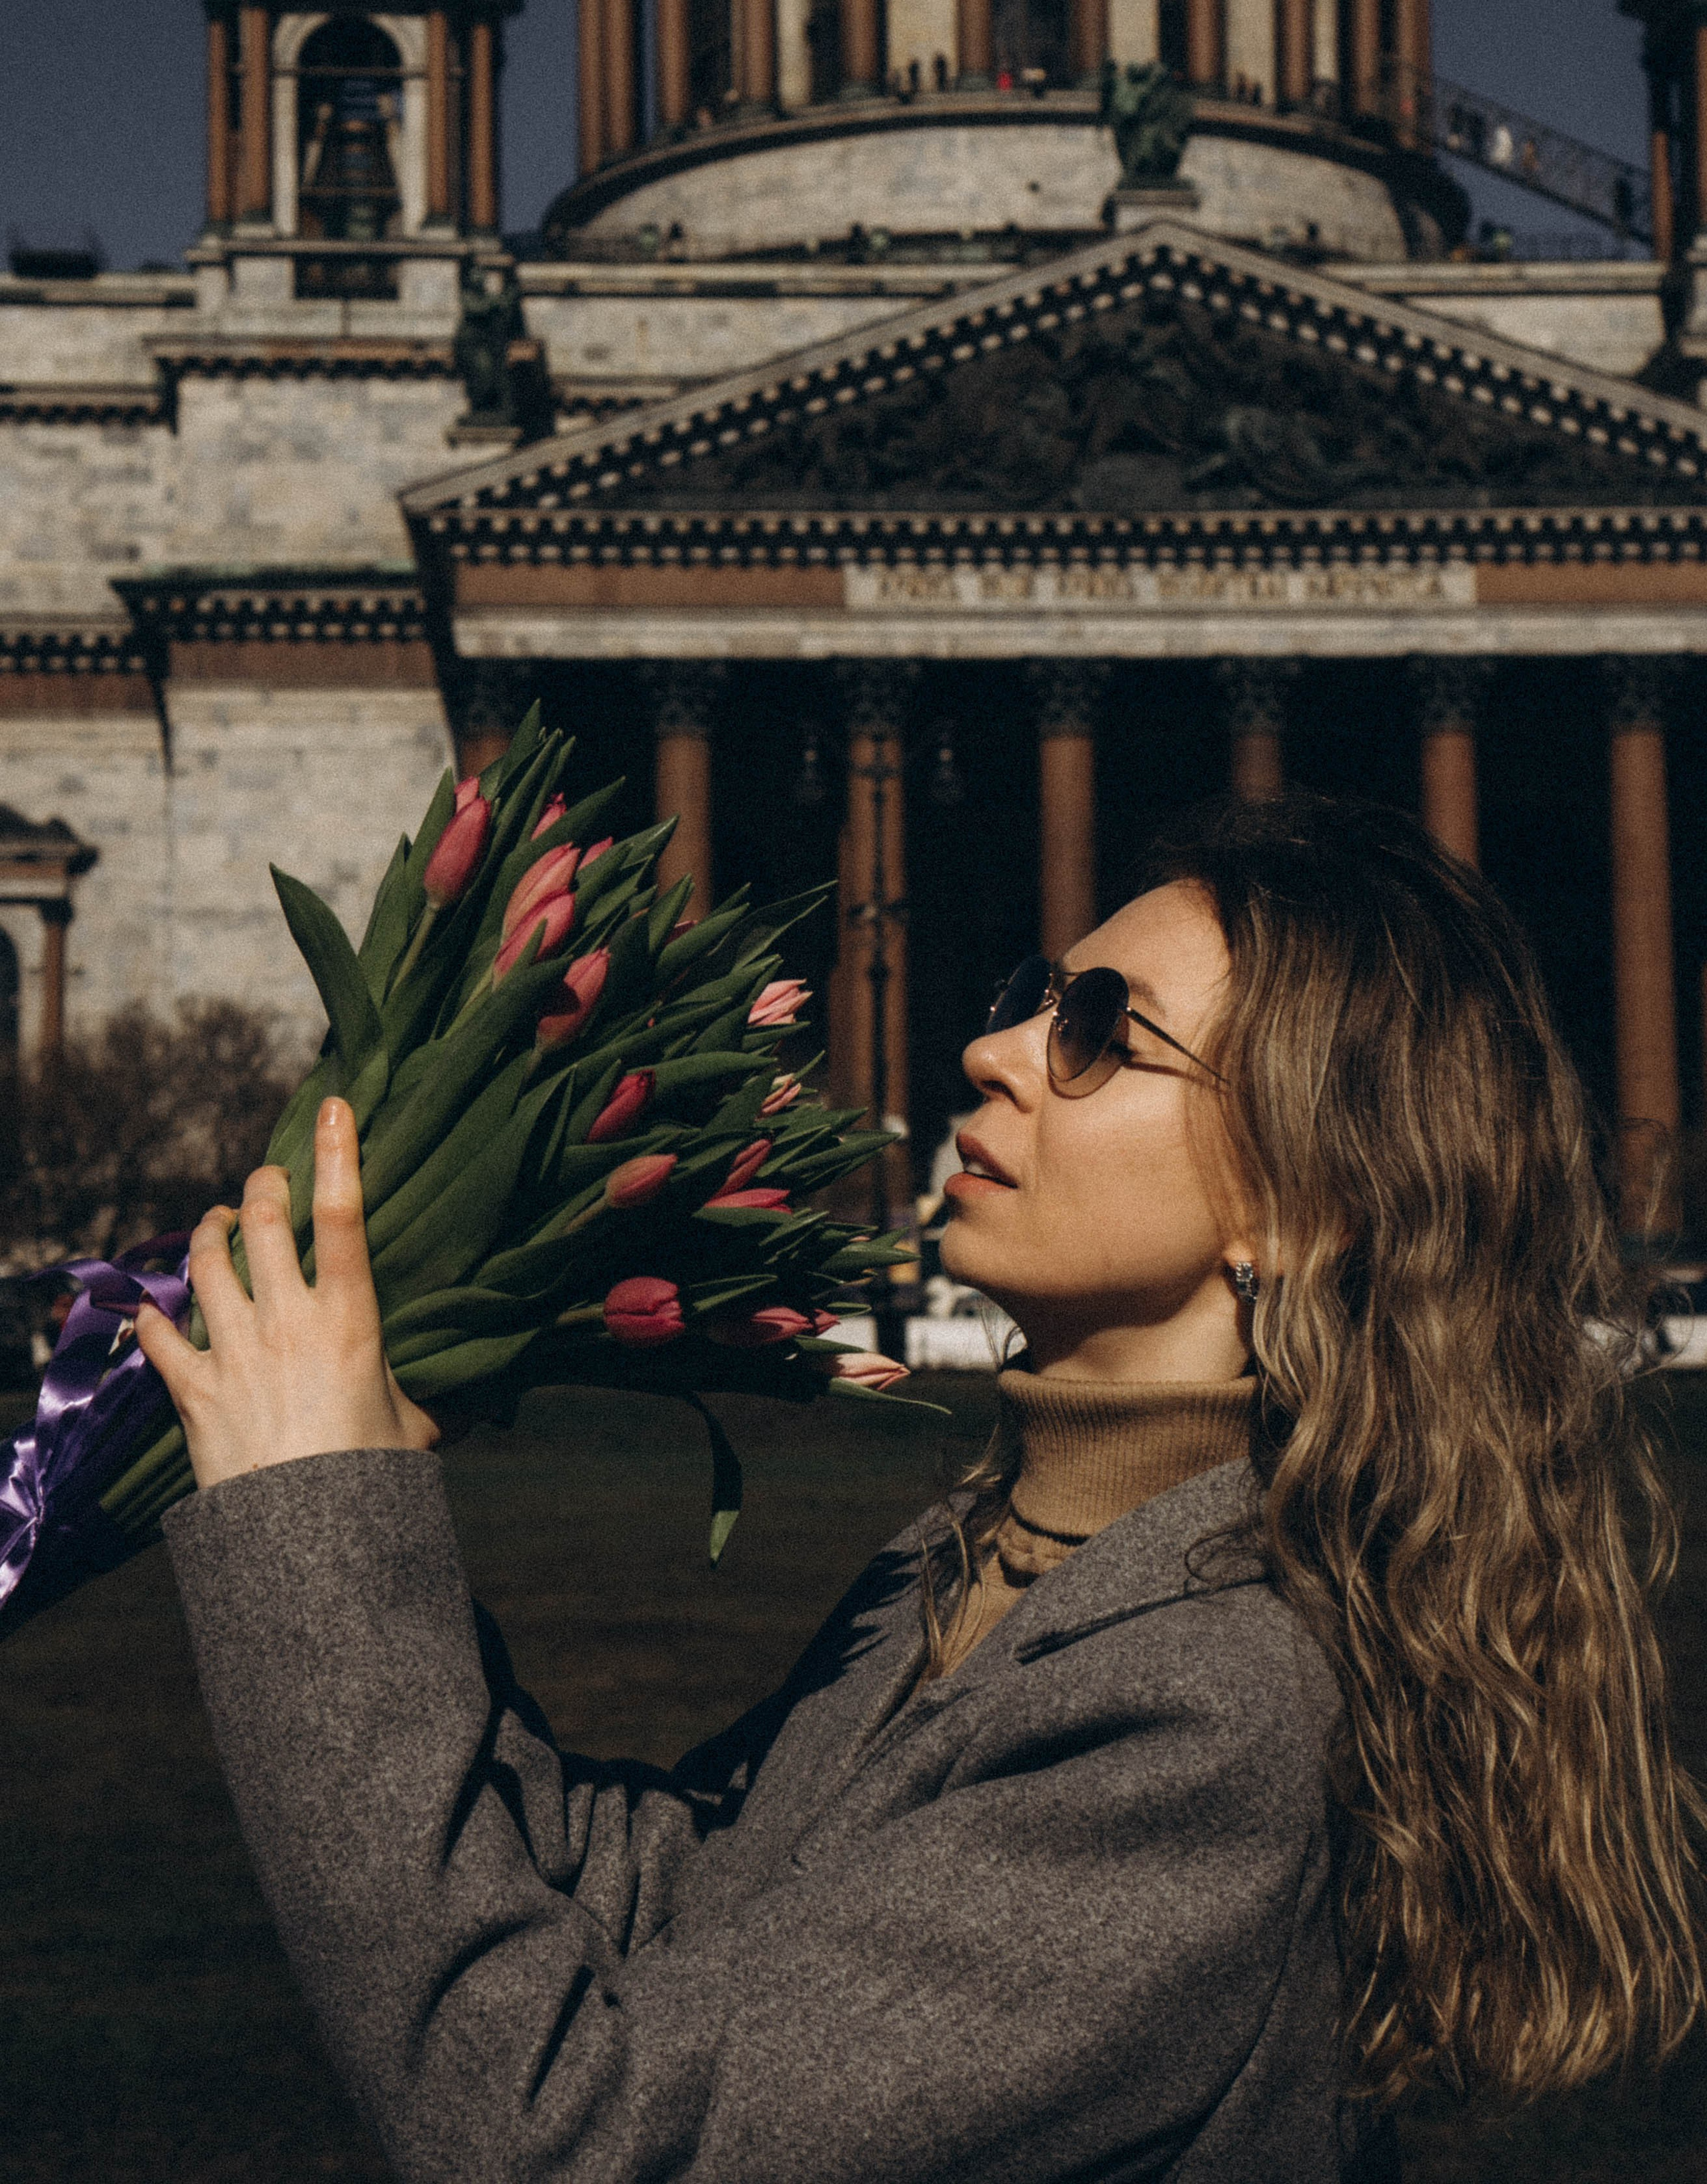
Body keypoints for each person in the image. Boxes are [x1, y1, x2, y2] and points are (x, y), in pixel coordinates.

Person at [137, 795, 1706, 2183]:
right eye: (1037, 999)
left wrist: (319, 1526)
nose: (991, 1049)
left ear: (1302, 1204)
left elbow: (569, 2138)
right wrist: (362, 1512)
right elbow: (677, 1889)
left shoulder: (1209, 1708)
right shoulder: (994, 1551)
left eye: (1098, 1032)